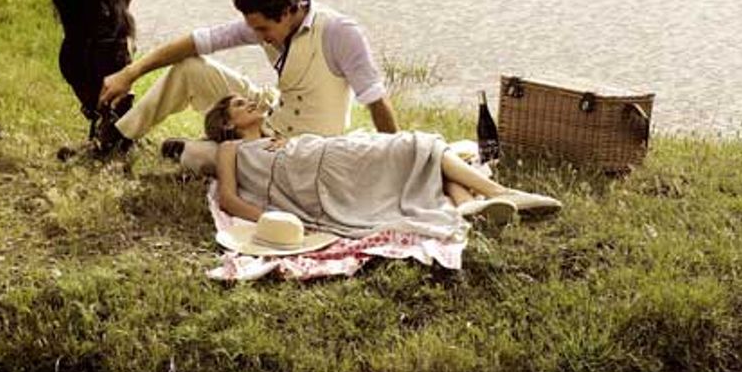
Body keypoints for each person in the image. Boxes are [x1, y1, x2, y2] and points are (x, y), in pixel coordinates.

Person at [97, 0, 397, 162]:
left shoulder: (339, 33)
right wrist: (130, 72)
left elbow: (376, 101)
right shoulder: (262, 23)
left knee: (206, 158)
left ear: (287, 12)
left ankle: (195, 149)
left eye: (263, 30)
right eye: (253, 29)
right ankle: (117, 139)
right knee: (190, 68)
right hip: (269, 112)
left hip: (302, 147)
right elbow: (197, 40)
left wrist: (398, 156)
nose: (258, 37)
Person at [206, 93, 562, 235]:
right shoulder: (231, 149)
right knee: (419, 147)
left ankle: (473, 204)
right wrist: (277, 219)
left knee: (421, 151)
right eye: (239, 104)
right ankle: (499, 195)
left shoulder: (276, 135)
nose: (249, 102)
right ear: (227, 123)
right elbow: (229, 200)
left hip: (332, 153)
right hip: (325, 175)